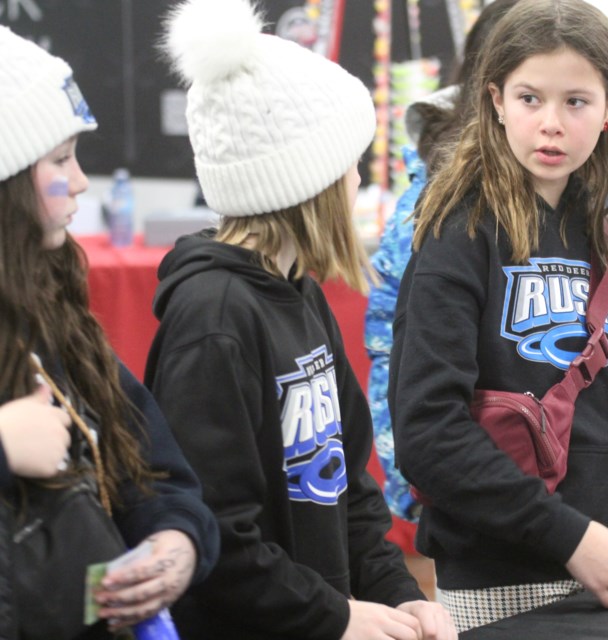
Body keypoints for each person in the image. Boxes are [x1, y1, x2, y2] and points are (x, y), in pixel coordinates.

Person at [388, 0, 608, 631]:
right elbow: (428, 435)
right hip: (502, 579)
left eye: (576, 102)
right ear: (495, 101)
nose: (552, 125)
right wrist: (571, 538)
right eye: (531, 98)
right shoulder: (461, 231)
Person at [144, 1, 456, 639]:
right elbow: (214, 534)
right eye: (350, 163)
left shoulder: (299, 293)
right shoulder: (216, 319)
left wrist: (400, 597)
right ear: (307, 180)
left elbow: (350, 491)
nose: (358, 180)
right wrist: (333, 616)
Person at [0, 24, 220, 638]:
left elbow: (150, 463)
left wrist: (176, 539)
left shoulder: (51, 311)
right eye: (60, 160)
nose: (78, 182)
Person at [366, 0, 521, 523]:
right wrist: (414, 482)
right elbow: (393, 340)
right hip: (484, 495)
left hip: (606, 488)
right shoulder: (438, 198)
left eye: (574, 97)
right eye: (530, 94)